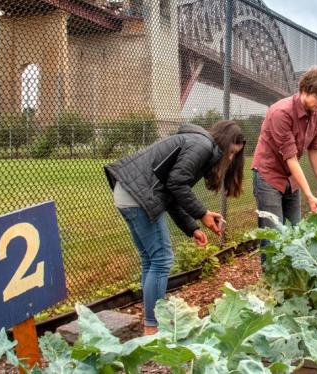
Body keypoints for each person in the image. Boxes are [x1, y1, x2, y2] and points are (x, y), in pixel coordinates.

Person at [104, 120, 245, 335]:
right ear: (225, 143)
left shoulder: (197, 142)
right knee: (161, 259)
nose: (231, 158)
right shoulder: (202, 146)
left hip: (127, 193)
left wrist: (193, 228)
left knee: (151, 260)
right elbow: (176, 184)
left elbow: (172, 194)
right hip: (139, 195)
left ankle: (150, 324)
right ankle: (153, 329)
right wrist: (202, 214)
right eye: (232, 152)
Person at [251, 66, 317, 243]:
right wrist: (309, 195)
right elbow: (291, 157)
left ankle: (293, 271)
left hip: (291, 177)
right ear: (304, 90)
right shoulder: (281, 112)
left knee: (296, 229)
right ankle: (271, 271)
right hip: (269, 175)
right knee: (273, 235)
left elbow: (314, 148)